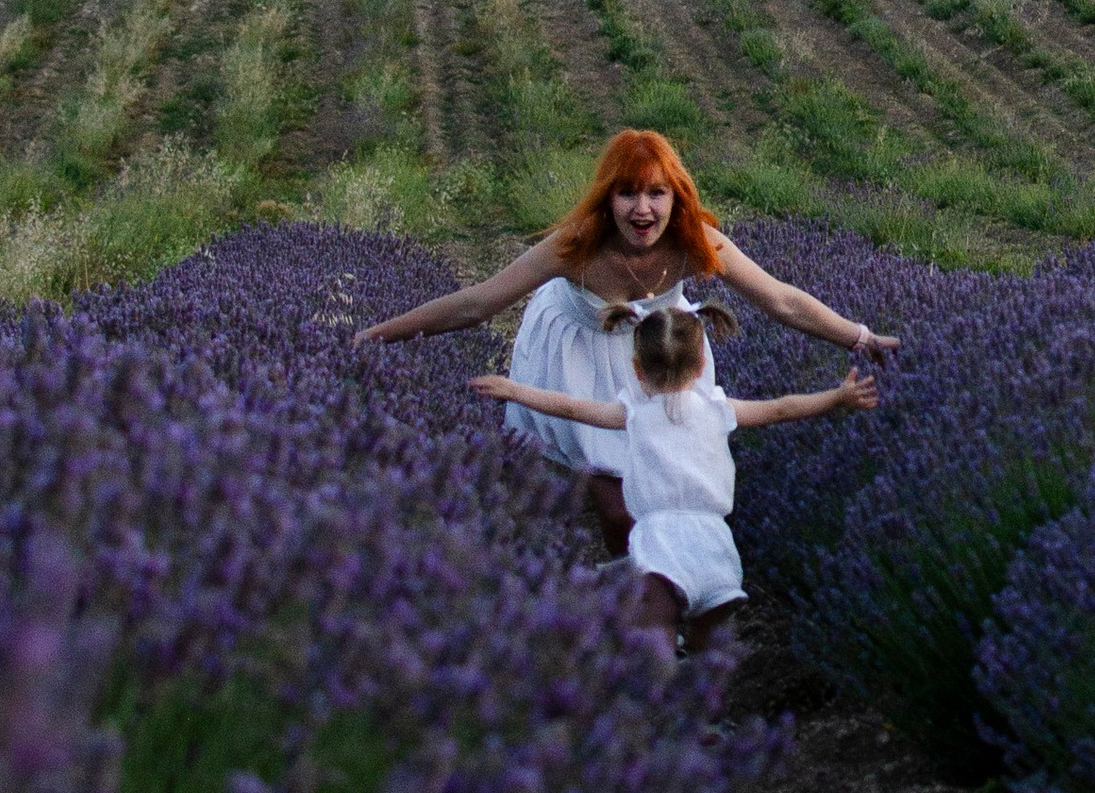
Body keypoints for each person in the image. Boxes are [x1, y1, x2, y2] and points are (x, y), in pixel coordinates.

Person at [355, 127, 895, 554]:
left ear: (676, 196)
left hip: (663, 354)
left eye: (657, 193)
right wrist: (382, 334)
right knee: (616, 504)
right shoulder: (576, 249)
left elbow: (781, 299)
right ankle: (636, 603)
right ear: (607, 200)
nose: (643, 210)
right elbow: (478, 302)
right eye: (628, 193)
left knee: (669, 484)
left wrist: (861, 338)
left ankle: (666, 592)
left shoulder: (694, 243)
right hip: (581, 355)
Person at [470, 291, 876, 656]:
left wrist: (515, 389)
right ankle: (708, 716)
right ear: (702, 365)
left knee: (655, 625)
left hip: (659, 538)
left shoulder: (633, 412)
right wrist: (838, 397)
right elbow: (781, 408)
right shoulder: (718, 409)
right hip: (713, 540)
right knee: (710, 639)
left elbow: (572, 407)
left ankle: (665, 705)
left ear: (637, 369)